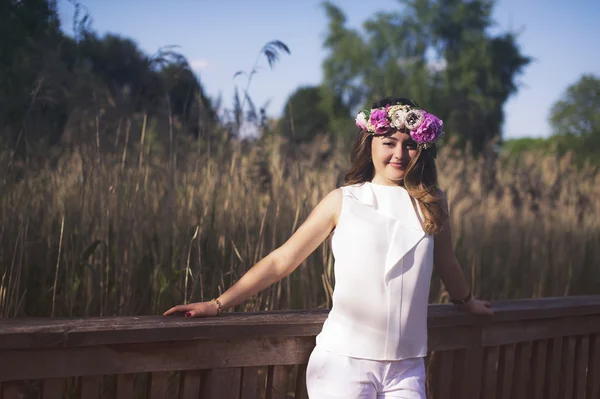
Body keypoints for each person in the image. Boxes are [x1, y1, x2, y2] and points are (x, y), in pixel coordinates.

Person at [163, 96, 494, 398]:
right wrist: (218, 304)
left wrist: (467, 303)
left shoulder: (432, 204)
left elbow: (447, 262)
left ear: (422, 149)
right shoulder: (344, 200)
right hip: (345, 363)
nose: (399, 154)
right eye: (389, 143)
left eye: (409, 145)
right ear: (370, 144)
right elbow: (282, 261)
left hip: (407, 366)